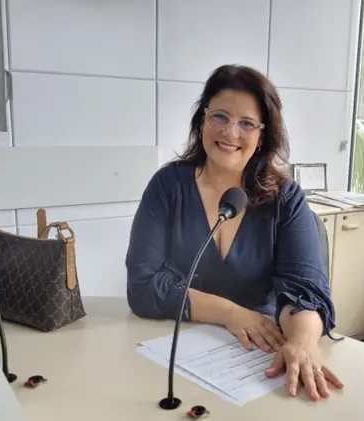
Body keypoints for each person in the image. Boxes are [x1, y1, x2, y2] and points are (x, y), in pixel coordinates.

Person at [126, 64, 343, 402]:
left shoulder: (286, 198)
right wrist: (230, 313)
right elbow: (142, 287)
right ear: (202, 120)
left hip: (256, 353)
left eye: (246, 123)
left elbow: (305, 291)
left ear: (262, 136)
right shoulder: (167, 186)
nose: (230, 133)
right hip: (173, 347)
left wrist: (302, 341)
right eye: (220, 117)